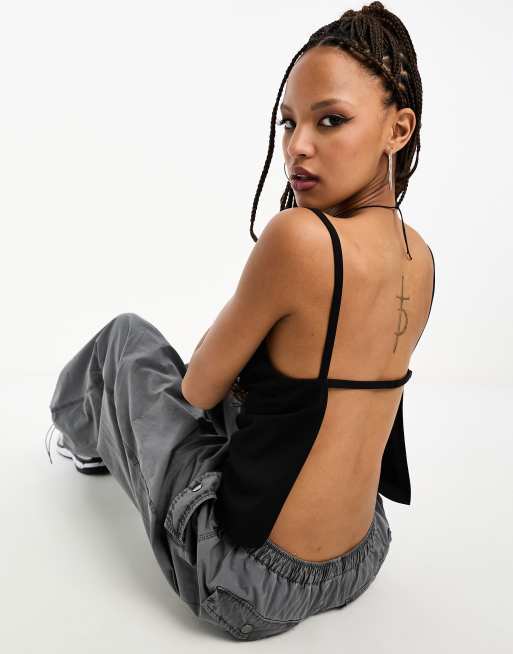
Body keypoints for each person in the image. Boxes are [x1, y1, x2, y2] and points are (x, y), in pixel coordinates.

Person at [44, 2, 435, 641]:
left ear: (398, 129)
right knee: (275, 388)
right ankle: (96, 439)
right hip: (362, 557)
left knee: (125, 340)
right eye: (288, 122)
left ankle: (82, 440)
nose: (298, 146)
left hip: (248, 582)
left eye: (331, 120)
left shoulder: (298, 238)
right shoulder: (421, 257)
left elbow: (197, 389)